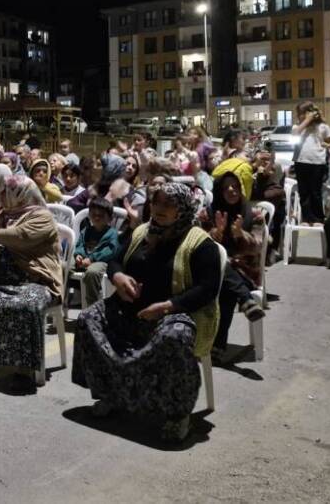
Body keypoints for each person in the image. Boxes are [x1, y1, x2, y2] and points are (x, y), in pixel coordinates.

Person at [72, 182, 221, 443]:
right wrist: (117, 275)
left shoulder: (199, 243)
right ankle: (111, 393)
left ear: (182, 210)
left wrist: (167, 306)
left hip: (176, 314)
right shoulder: (141, 231)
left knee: (174, 338)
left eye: (168, 204)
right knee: (88, 319)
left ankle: (177, 414)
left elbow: (208, 288)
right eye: (157, 203)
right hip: (131, 310)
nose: (160, 209)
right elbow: (116, 258)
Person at [0, 175, 61, 384]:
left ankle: (25, 369)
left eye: (5, 191)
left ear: (20, 194)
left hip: (35, 279)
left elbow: (20, 236)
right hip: (2, 276)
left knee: (26, 305)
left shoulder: (42, 216)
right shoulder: (4, 215)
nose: (1, 195)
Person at [205, 159, 266, 359]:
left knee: (226, 288)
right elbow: (197, 241)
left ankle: (218, 344)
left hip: (244, 271)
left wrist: (241, 235)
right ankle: (246, 300)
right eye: (226, 188)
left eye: (235, 186)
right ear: (219, 191)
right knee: (222, 268)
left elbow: (258, 245)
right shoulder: (209, 213)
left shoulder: (254, 214)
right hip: (211, 271)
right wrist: (216, 233)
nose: (231, 191)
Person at [74, 197, 120, 307]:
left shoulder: (112, 233)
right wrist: (78, 255)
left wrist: (92, 259)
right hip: (84, 259)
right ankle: (61, 298)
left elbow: (110, 251)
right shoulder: (87, 230)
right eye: (93, 214)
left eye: (101, 215)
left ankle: (93, 305)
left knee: (92, 273)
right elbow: (80, 244)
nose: (97, 217)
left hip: (102, 261)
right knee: (63, 266)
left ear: (110, 218)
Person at [291, 101, 330, 225]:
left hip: (318, 162)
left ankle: (318, 218)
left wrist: (327, 144)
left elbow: (328, 140)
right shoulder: (297, 126)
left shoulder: (323, 127)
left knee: (315, 191)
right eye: (299, 114)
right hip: (300, 161)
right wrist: (306, 121)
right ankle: (306, 218)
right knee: (304, 192)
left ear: (310, 112)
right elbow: (295, 133)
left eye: (302, 113)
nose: (299, 116)